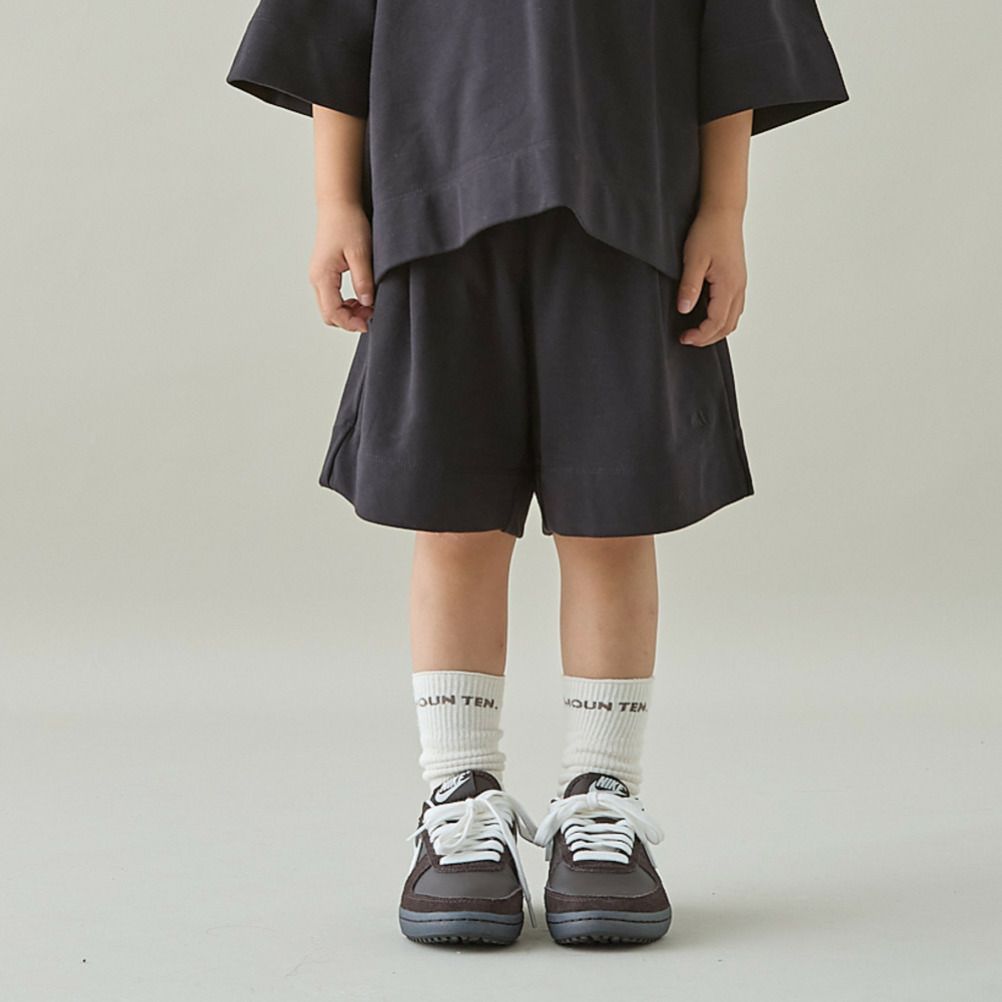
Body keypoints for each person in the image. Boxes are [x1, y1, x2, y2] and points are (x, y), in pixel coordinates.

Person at [225, 0, 848, 947]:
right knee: (454, 519)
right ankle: (459, 798)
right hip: (433, 198)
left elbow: (736, 32)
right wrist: (334, 201)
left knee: (611, 518)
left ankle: (604, 799)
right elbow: (330, 28)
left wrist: (724, 210)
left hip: (631, 202)